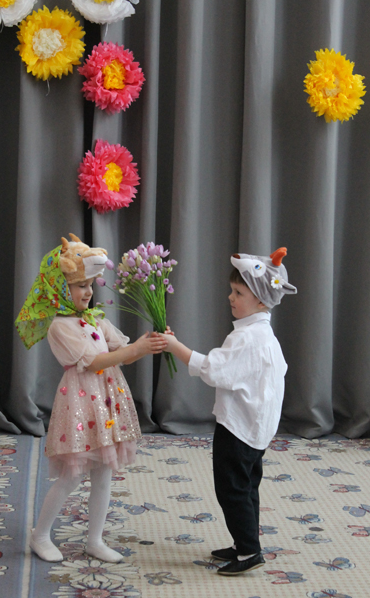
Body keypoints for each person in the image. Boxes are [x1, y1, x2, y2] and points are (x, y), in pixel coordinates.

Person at [15, 233, 167, 564]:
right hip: (82, 403)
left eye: (89, 285)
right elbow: (96, 361)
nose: (88, 291)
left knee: (103, 474)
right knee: (71, 475)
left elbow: (123, 352)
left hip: (106, 402)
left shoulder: (94, 318)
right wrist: (138, 348)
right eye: (80, 285)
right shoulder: (60, 326)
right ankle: (40, 535)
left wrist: (150, 342)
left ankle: (95, 540)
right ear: (59, 288)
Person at [159, 248, 297, 576]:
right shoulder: (264, 335)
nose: (230, 297)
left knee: (231, 489)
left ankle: (249, 551)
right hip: (256, 428)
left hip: (238, 428)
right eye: (232, 290)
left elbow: (213, 369)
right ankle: (244, 542)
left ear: (261, 300)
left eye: (238, 293)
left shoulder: (247, 338)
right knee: (246, 487)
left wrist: (175, 347)